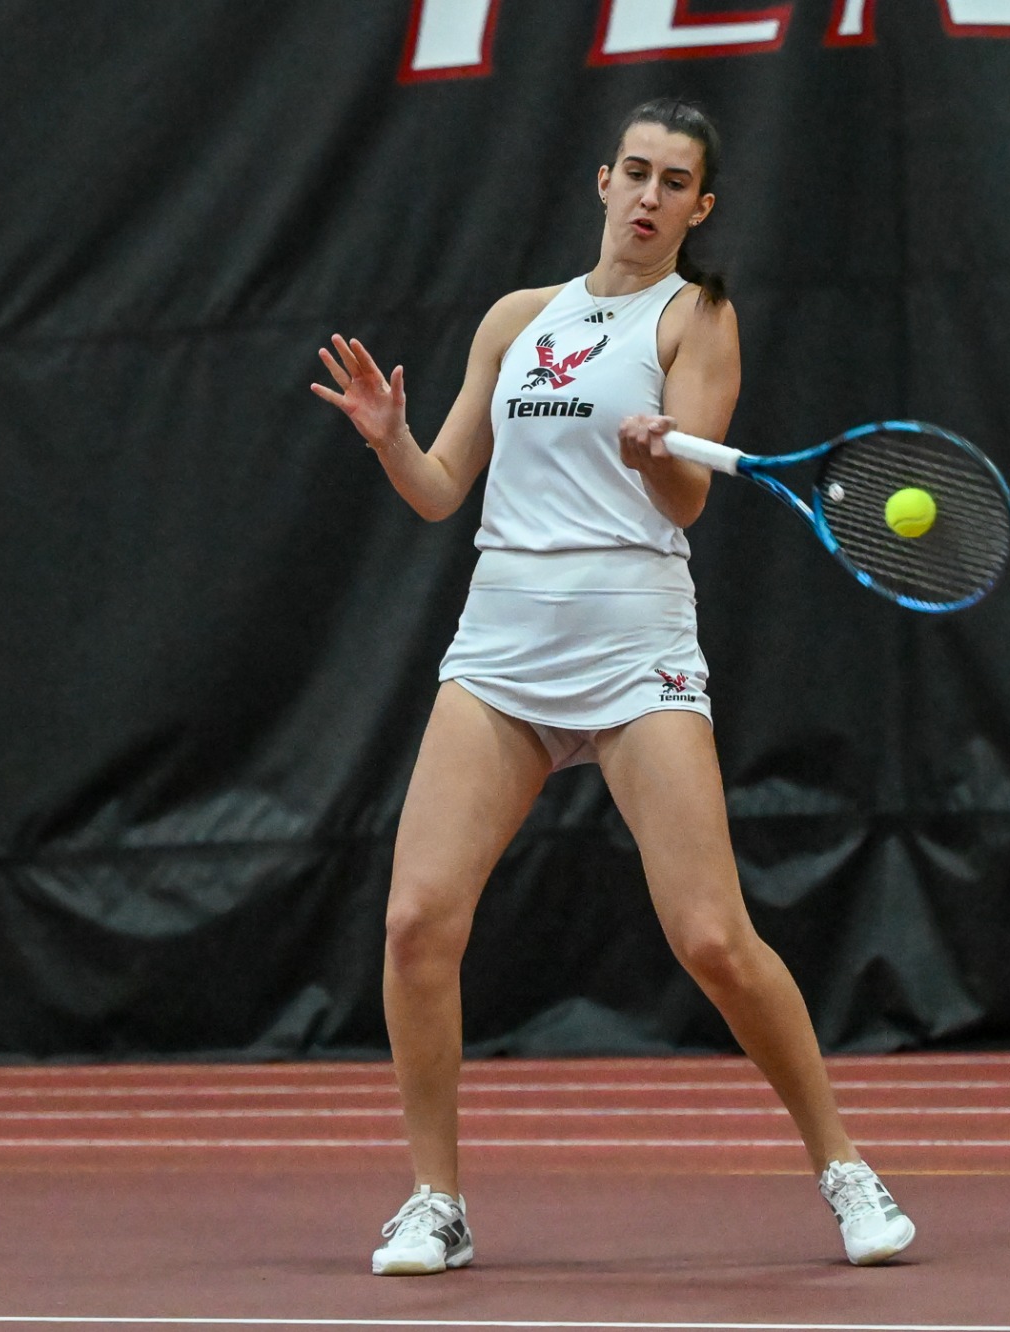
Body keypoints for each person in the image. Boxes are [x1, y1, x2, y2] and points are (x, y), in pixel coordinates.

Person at [311, 97, 915, 1275]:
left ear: (700, 207)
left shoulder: (698, 317)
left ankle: (845, 1168)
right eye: (632, 172)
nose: (647, 196)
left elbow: (685, 503)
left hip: (632, 645)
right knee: (415, 925)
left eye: (672, 181)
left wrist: (655, 461)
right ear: (601, 183)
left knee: (711, 939)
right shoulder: (515, 320)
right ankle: (434, 1199)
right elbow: (442, 491)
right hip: (499, 649)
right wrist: (390, 438)